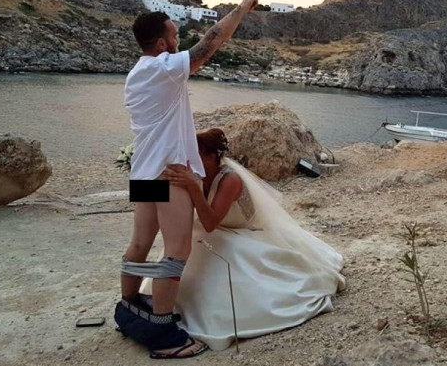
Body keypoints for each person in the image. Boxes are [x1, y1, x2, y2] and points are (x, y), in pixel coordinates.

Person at [117, 0, 258, 359]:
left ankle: (130, 308)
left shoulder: (136, 74)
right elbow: (209, 45)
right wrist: (240, 10)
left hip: (145, 169)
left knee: (139, 244)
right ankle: (164, 334)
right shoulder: (162, 67)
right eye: (175, 35)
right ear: (162, 44)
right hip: (171, 173)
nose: (179, 40)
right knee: (177, 251)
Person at [144, 128, 346, 351]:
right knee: (189, 243)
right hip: (218, 232)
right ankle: (169, 305)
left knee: (226, 250)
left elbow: (210, 223)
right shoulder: (197, 174)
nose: (190, 160)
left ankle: (221, 313)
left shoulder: (230, 179)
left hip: (245, 232)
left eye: (196, 154)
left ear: (212, 156)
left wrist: (193, 187)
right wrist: (152, 186)